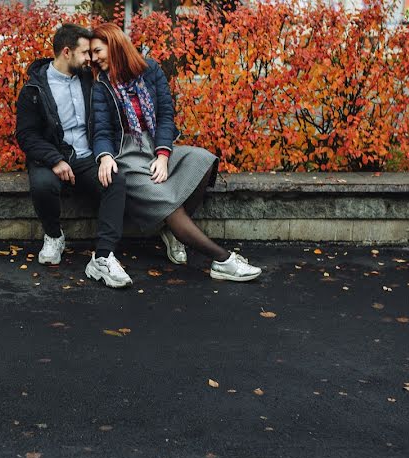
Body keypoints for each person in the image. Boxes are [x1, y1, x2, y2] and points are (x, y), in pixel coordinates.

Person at [89, 23, 262, 282]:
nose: (94, 58)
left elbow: (166, 116)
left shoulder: (151, 70)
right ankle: (223, 260)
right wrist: (104, 156)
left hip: (155, 146)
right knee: (166, 199)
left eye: (98, 50)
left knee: (202, 160)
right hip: (126, 154)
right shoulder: (101, 85)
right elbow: (101, 129)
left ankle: (172, 233)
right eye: (90, 53)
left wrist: (162, 155)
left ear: (115, 44)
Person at [15, 24, 133, 288]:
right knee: (43, 184)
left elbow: (107, 122)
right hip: (53, 155)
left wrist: (105, 156)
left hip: (87, 156)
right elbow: (26, 135)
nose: (89, 59)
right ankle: (54, 236)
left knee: (116, 181)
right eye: (84, 53)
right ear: (67, 52)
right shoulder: (34, 89)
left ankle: (103, 257)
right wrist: (55, 160)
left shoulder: (91, 81)